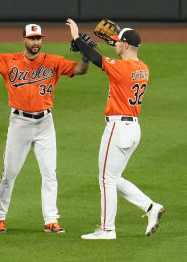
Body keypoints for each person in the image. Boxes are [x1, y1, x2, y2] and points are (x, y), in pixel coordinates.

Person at [0, 24, 89, 233]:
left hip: (45, 124)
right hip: (20, 123)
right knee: (10, 172)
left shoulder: (53, 61)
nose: (36, 42)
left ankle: (51, 220)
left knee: (49, 173)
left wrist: (87, 56)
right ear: (23, 39)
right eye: (32, 38)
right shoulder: (9, 60)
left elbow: (79, 69)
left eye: (38, 38)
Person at [66, 19, 165, 240]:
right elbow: (107, 56)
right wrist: (104, 43)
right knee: (112, 177)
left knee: (106, 179)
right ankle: (151, 207)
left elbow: (96, 59)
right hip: (133, 129)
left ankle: (107, 229)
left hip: (118, 128)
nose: (115, 44)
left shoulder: (122, 68)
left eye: (119, 42)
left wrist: (75, 37)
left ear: (127, 46)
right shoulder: (142, 68)